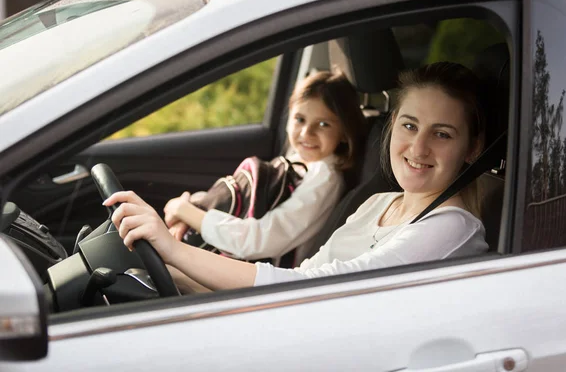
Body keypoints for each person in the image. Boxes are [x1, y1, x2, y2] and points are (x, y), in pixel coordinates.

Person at [104, 62, 489, 291]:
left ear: (471, 149)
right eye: (409, 126)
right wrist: (182, 275)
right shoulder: (378, 202)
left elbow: (318, 289)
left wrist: (175, 250)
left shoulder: (452, 227)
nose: (418, 148)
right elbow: (305, 274)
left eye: (442, 134)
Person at [161, 70, 367, 263]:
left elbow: (257, 241)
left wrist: (183, 209)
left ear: (344, 132)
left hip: (261, 275)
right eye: (299, 119)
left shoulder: (324, 178)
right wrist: (192, 210)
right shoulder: (301, 161)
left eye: (324, 124)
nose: (306, 133)